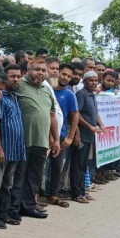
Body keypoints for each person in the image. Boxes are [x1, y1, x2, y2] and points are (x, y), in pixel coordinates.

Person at [10, 59, 59, 220]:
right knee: (19, 176)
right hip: (22, 141)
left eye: (43, 70)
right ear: (28, 71)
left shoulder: (46, 89)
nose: (40, 73)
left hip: (41, 141)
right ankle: (14, 208)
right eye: (37, 69)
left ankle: (29, 206)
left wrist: (56, 139)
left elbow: (52, 115)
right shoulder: (19, 86)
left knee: (34, 177)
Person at [0, 65, 25, 228]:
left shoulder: (15, 96)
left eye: (18, 76)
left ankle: (4, 213)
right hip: (4, 149)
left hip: (16, 149)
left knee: (8, 185)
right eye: (12, 76)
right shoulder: (0, 96)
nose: (15, 79)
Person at [46, 63, 79, 208]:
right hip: (42, 135)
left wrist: (70, 137)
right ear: (57, 73)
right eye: (63, 74)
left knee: (57, 167)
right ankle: (33, 196)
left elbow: (75, 115)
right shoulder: (47, 89)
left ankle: (54, 195)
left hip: (60, 136)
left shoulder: (70, 94)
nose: (65, 78)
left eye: (69, 76)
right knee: (38, 168)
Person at [73, 71, 105, 203]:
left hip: (89, 135)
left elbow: (95, 112)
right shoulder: (81, 94)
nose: (94, 83)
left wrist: (101, 125)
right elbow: (76, 115)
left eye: (96, 80)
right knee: (77, 165)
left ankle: (82, 191)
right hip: (81, 134)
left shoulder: (92, 95)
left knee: (83, 164)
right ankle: (76, 193)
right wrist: (89, 126)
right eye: (90, 80)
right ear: (84, 81)